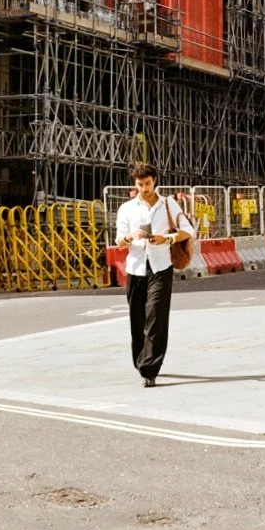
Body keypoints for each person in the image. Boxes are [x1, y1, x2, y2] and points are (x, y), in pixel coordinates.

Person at [115, 163, 195, 387]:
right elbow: (119, 242)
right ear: (135, 184)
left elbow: (189, 231)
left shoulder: (168, 204)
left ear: (155, 181)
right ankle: (140, 359)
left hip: (161, 265)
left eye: (148, 184)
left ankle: (150, 368)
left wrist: (166, 239)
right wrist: (132, 236)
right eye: (140, 184)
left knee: (156, 315)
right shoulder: (127, 209)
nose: (144, 188)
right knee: (137, 317)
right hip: (135, 267)